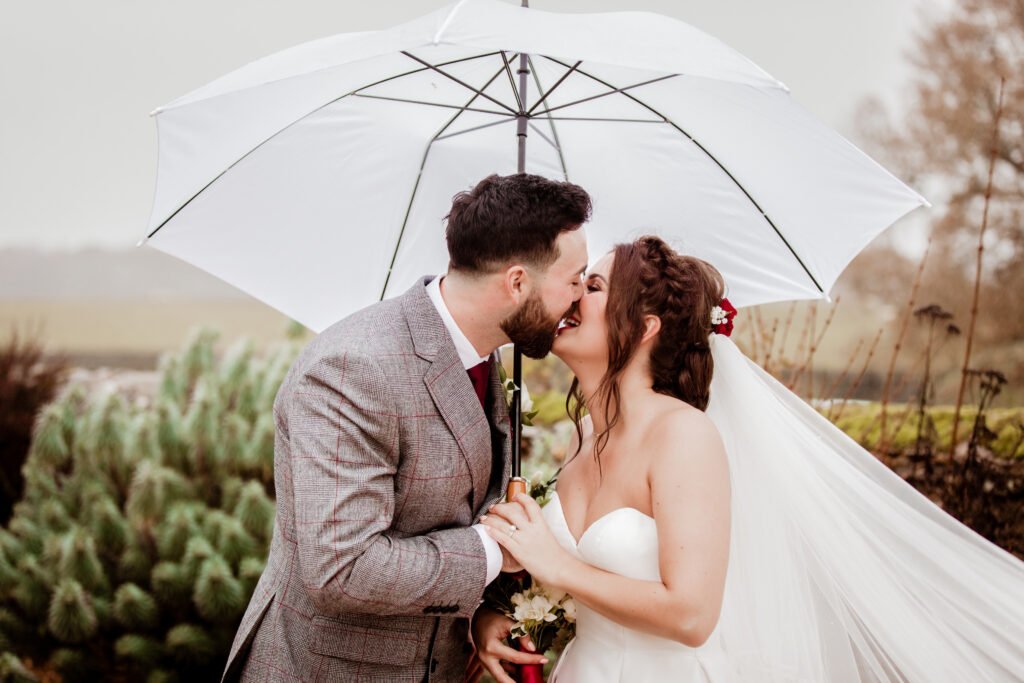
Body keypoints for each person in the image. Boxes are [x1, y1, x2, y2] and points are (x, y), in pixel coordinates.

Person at [474, 235, 1024, 682]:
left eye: (592, 286)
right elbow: (578, 575)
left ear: (644, 329)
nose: (570, 296)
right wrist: (504, 603)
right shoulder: (582, 438)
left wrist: (558, 564)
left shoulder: (684, 437)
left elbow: (691, 615)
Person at [221, 173, 591, 682]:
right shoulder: (355, 369)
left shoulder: (486, 354)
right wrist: (495, 550)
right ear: (517, 282)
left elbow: (460, 502)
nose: (579, 299)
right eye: (574, 280)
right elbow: (342, 568)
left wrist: (481, 614)